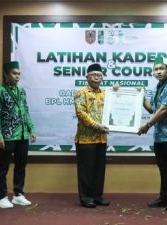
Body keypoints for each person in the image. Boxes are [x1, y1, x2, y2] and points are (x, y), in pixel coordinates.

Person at [138, 56, 167, 212]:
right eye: (155, 69)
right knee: (163, 168)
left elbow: (164, 110)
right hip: (160, 136)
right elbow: (153, 110)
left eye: (161, 68)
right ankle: (164, 197)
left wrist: (148, 124)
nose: (158, 71)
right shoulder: (158, 87)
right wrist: (141, 98)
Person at [0, 61, 36, 209]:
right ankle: (2, 196)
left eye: (18, 74)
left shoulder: (21, 90)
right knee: (3, 166)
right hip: (8, 135)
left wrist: (31, 129)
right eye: (14, 73)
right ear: (5, 74)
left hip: (22, 134)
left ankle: (18, 194)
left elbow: (26, 110)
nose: (17, 77)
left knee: (21, 164)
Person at [73, 63, 110, 208]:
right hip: (85, 139)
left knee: (99, 169)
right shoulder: (80, 93)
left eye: (99, 75)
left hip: (101, 138)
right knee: (86, 170)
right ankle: (86, 197)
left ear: (102, 77)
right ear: (87, 77)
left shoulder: (105, 93)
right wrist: (97, 126)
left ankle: (97, 196)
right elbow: (81, 113)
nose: (96, 77)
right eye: (93, 75)